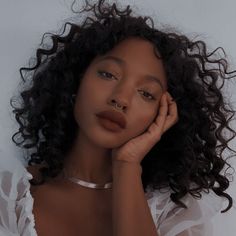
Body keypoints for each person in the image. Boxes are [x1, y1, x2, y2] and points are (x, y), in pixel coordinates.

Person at [0, 0, 235, 235]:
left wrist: (127, 165)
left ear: (163, 113)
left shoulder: (175, 212)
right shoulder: (10, 197)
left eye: (146, 93)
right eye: (108, 74)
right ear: (76, 81)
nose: (121, 99)